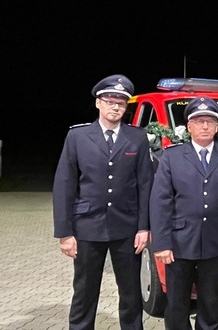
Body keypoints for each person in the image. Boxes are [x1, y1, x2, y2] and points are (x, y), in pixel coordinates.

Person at [52, 74, 154, 329]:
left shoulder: (137, 138)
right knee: (85, 294)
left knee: (131, 295)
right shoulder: (77, 137)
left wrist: (144, 227)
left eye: (121, 102)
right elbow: (64, 185)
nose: (116, 106)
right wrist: (65, 233)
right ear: (98, 103)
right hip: (87, 227)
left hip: (127, 228)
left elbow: (145, 185)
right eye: (110, 100)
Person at [149, 96, 218, 330]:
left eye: (210, 121)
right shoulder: (171, 157)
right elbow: (160, 202)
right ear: (189, 126)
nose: (205, 126)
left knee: (210, 298)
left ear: (216, 126)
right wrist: (161, 243)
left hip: (216, 240)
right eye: (199, 121)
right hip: (179, 241)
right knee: (176, 300)